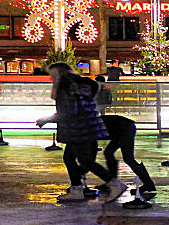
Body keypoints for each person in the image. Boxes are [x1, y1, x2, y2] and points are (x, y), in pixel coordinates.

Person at [36, 62, 125, 203]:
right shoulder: (83, 83)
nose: (51, 78)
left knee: (85, 161)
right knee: (70, 158)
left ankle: (115, 184)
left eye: (52, 75)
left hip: (78, 129)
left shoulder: (65, 86)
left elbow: (68, 112)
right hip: (89, 125)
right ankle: (77, 189)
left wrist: (46, 120)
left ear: (59, 73)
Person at [100, 114, 156, 195]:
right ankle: (113, 182)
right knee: (108, 152)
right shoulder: (87, 125)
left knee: (128, 159)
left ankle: (148, 184)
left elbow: (90, 154)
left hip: (125, 129)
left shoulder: (87, 127)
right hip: (119, 130)